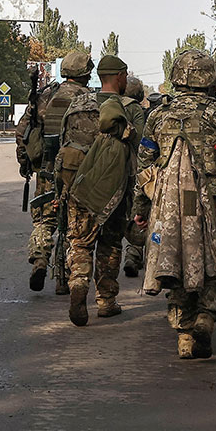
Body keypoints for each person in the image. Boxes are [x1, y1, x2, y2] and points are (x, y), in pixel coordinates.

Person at [133, 50, 216, 359]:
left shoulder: (160, 115)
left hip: (168, 205)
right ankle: (206, 315)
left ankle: (184, 334)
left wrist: (141, 208)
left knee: (173, 256)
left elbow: (144, 163)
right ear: (210, 78)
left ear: (178, 76)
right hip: (215, 201)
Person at [57, 55, 144, 326]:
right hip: (114, 188)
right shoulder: (128, 107)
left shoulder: (77, 104)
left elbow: (61, 141)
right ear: (119, 77)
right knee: (110, 243)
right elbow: (141, 150)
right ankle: (106, 301)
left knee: (80, 241)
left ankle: (78, 286)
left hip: (78, 187)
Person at [14, 51, 93, 293]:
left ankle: (40, 260)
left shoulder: (45, 96)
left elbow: (23, 132)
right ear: (86, 75)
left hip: (46, 170)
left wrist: (25, 162)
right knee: (73, 224)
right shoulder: (89, 100)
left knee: (43, 220)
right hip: (76, 173)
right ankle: (65, 276)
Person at [122, 76, 147, 277]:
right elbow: (142, 142)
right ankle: (133, 253)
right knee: (137, 212)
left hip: (110, 171)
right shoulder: (136, 109)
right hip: (132, 168)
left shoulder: (109, 104)